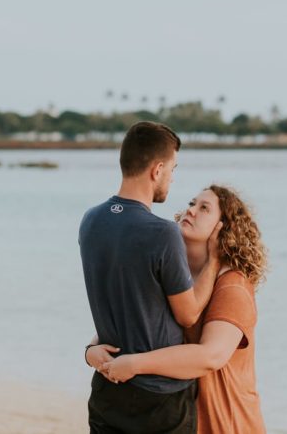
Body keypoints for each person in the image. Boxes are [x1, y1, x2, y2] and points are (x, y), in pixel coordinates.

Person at [79, 121, 222, 434]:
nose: (172, 178)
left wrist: (89, 351)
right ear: (157, 169)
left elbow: (122, 300)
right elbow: (187, 315)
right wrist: (213, 261)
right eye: (173, 169)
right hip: (159, 399)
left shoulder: (90, 221)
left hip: (107, 388)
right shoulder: (161, 233)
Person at [90, 185, 268, 434]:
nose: (191, 210)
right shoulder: (174, 276)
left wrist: (136, 364)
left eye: (204, 208)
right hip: (181, 419)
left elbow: (211, 356)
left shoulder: (232, 287)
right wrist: (93, 349)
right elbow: (135, 317)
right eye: (192, 203)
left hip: (227, 421)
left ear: (223, 228)